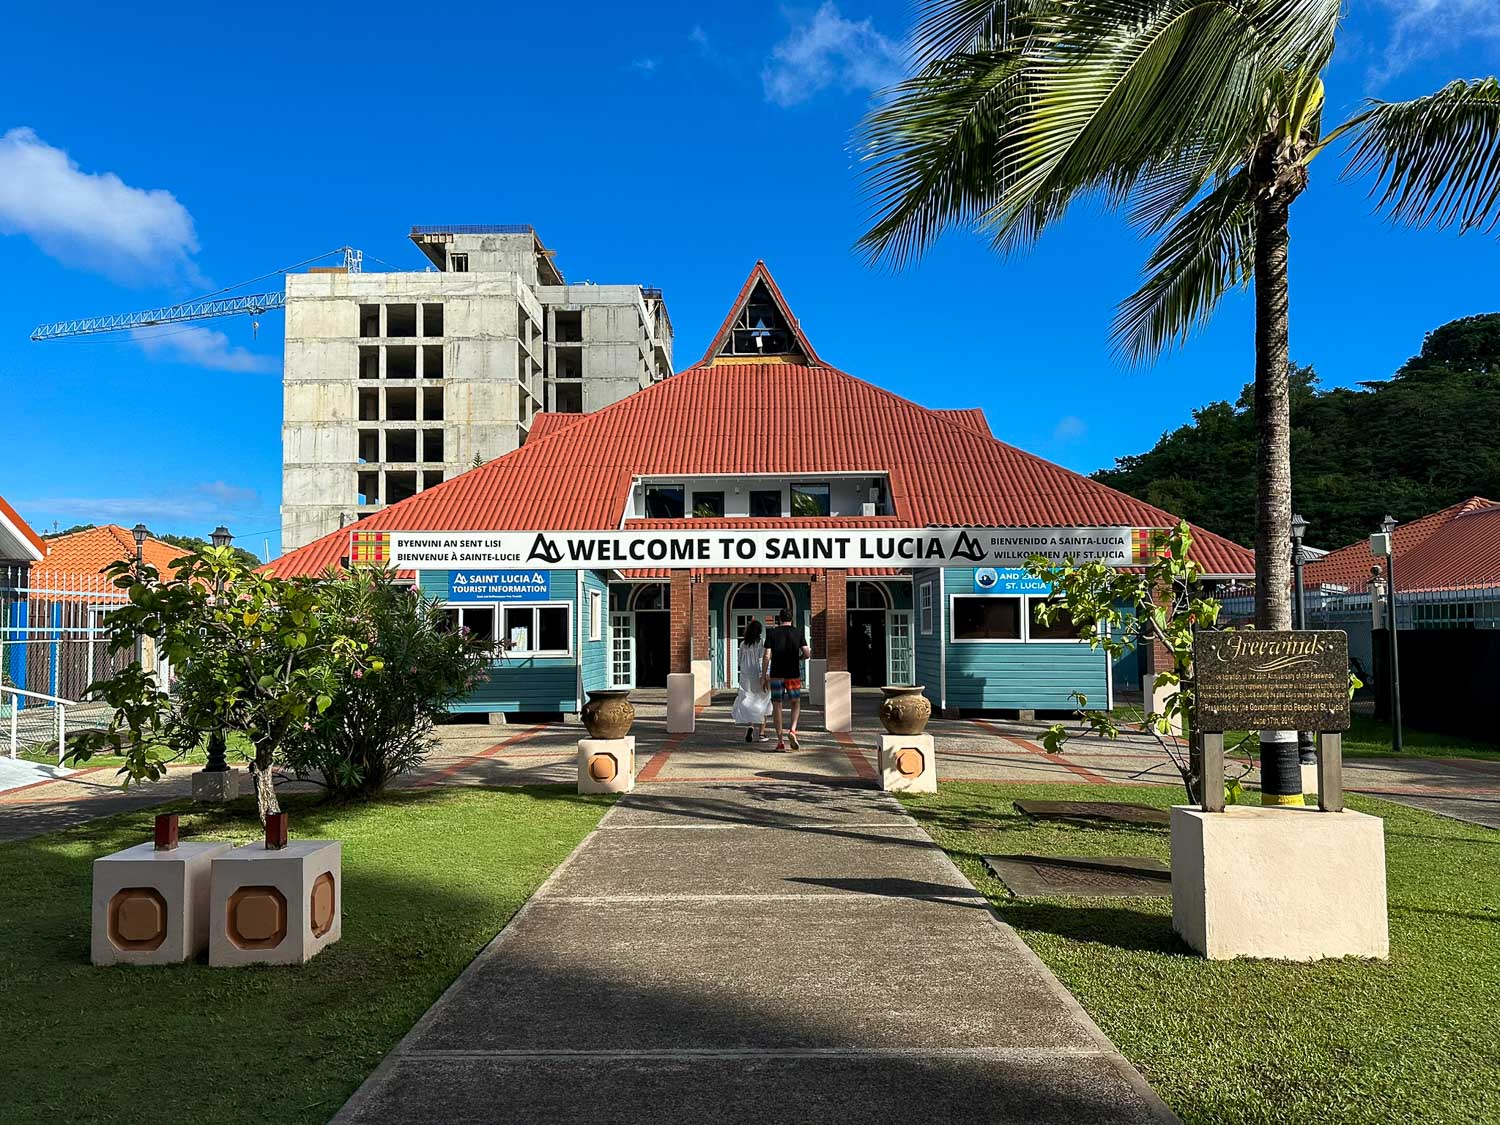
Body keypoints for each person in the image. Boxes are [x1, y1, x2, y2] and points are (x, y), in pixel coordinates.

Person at [763, 607, 810, 750]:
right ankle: (793, 730)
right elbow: (807, 653)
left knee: (777, 705)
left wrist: (763, 674)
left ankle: (780, 741)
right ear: (791, 619)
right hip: (793, 673)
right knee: (795, 702)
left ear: (779, 619)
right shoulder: (798, 632)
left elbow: (766, 655)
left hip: (776, 674)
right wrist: (800, 658)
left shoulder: (772, 633)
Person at [730, 619, 771, 744]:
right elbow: (762, 660)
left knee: (749, 700)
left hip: (745, 676)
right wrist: (764, 676)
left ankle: (751, 726)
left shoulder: (743, 644)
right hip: (758, 675)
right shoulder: (761, 643)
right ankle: (762, 734)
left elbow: (739, 661)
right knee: (763, 701)